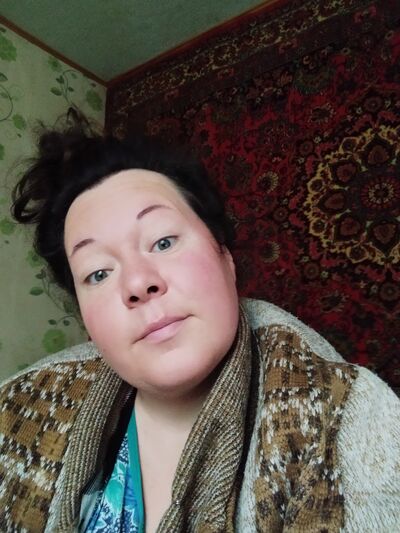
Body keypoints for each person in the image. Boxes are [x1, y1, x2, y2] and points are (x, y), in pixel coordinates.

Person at [0, 110, 399, 533]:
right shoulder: (17, 412)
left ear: (224, 253)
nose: (137, 283)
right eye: (98, 273)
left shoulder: (346, 420)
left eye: (163, 241)